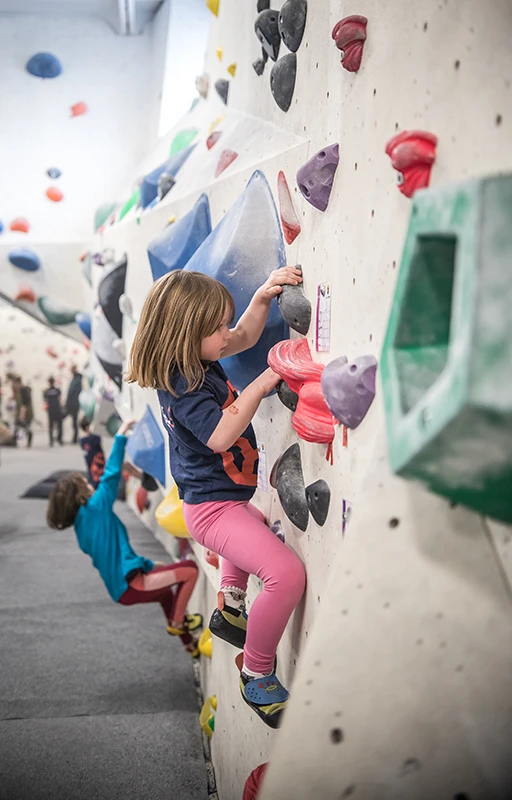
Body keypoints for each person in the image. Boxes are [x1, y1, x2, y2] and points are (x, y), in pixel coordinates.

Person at [126, 268, 306, 728]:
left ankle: (230, 603)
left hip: (225, 500)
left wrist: (264, 294)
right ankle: (256, 671)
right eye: (217, 328)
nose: (227, 335)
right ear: (187, 334)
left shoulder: (198, 359)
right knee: (285, 575)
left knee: (254, 521)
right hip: (211, 510)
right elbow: (223, 435)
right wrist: (263, 383)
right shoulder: (183, 387)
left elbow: (244, 335)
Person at [46, 418, 202, 655]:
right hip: (131, 583)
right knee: (190, 570)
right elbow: (109, 476)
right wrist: (121, 435)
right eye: (84, 483)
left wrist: (150, 565)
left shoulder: (82, 528)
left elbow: (115, 555)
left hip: (122, 588)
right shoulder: (96, 509)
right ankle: (177, 623)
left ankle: (189, 645)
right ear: (79, 495)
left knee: (165, 595)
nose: (89, 483)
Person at [79, 416, 106, 488]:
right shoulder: (93, 438)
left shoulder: (83, 440)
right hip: (97, 468)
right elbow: (98, 438)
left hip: (92, 469)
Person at [11, 376, 33, 447]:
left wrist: (21, 416)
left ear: (18, 383)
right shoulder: (21, 390)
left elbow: (24, 404)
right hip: (23, 412)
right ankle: (14, 442)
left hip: (25, 413)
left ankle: (27, 442)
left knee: (25, 427)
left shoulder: (23, 390)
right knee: (18, 426)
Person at [43, 377, 63, 447]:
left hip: (51, 410)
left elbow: (45, 401)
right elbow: (60, 399)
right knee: (59, 425)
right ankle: (59, 439)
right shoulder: (57, 390)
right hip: (57, 409)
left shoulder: (46, 391)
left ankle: (51, 440)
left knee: (51, 426)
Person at [65, 365, 83, 444]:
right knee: (74, 421)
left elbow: (71, 392)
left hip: (73, 403)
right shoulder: (75, 379)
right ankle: (74, 436)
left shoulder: (77, 380)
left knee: (74, 421)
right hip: (73, 403)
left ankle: (75, 437)